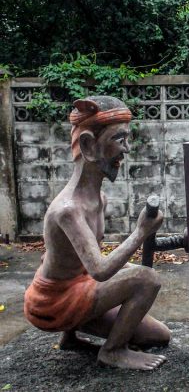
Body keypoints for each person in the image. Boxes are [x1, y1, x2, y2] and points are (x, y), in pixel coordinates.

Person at [23, 96, 170, 370]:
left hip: (78, 289)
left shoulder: (99, 198)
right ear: (89, 145)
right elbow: (99, 271)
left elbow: (80, 261)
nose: (126, 150)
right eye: (119, 139)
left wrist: (128, 270)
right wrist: (141, 233)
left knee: (158, 336)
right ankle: (112, 351)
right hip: (54, 304)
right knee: (147, 279)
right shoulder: (69, 210)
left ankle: (71, 337)